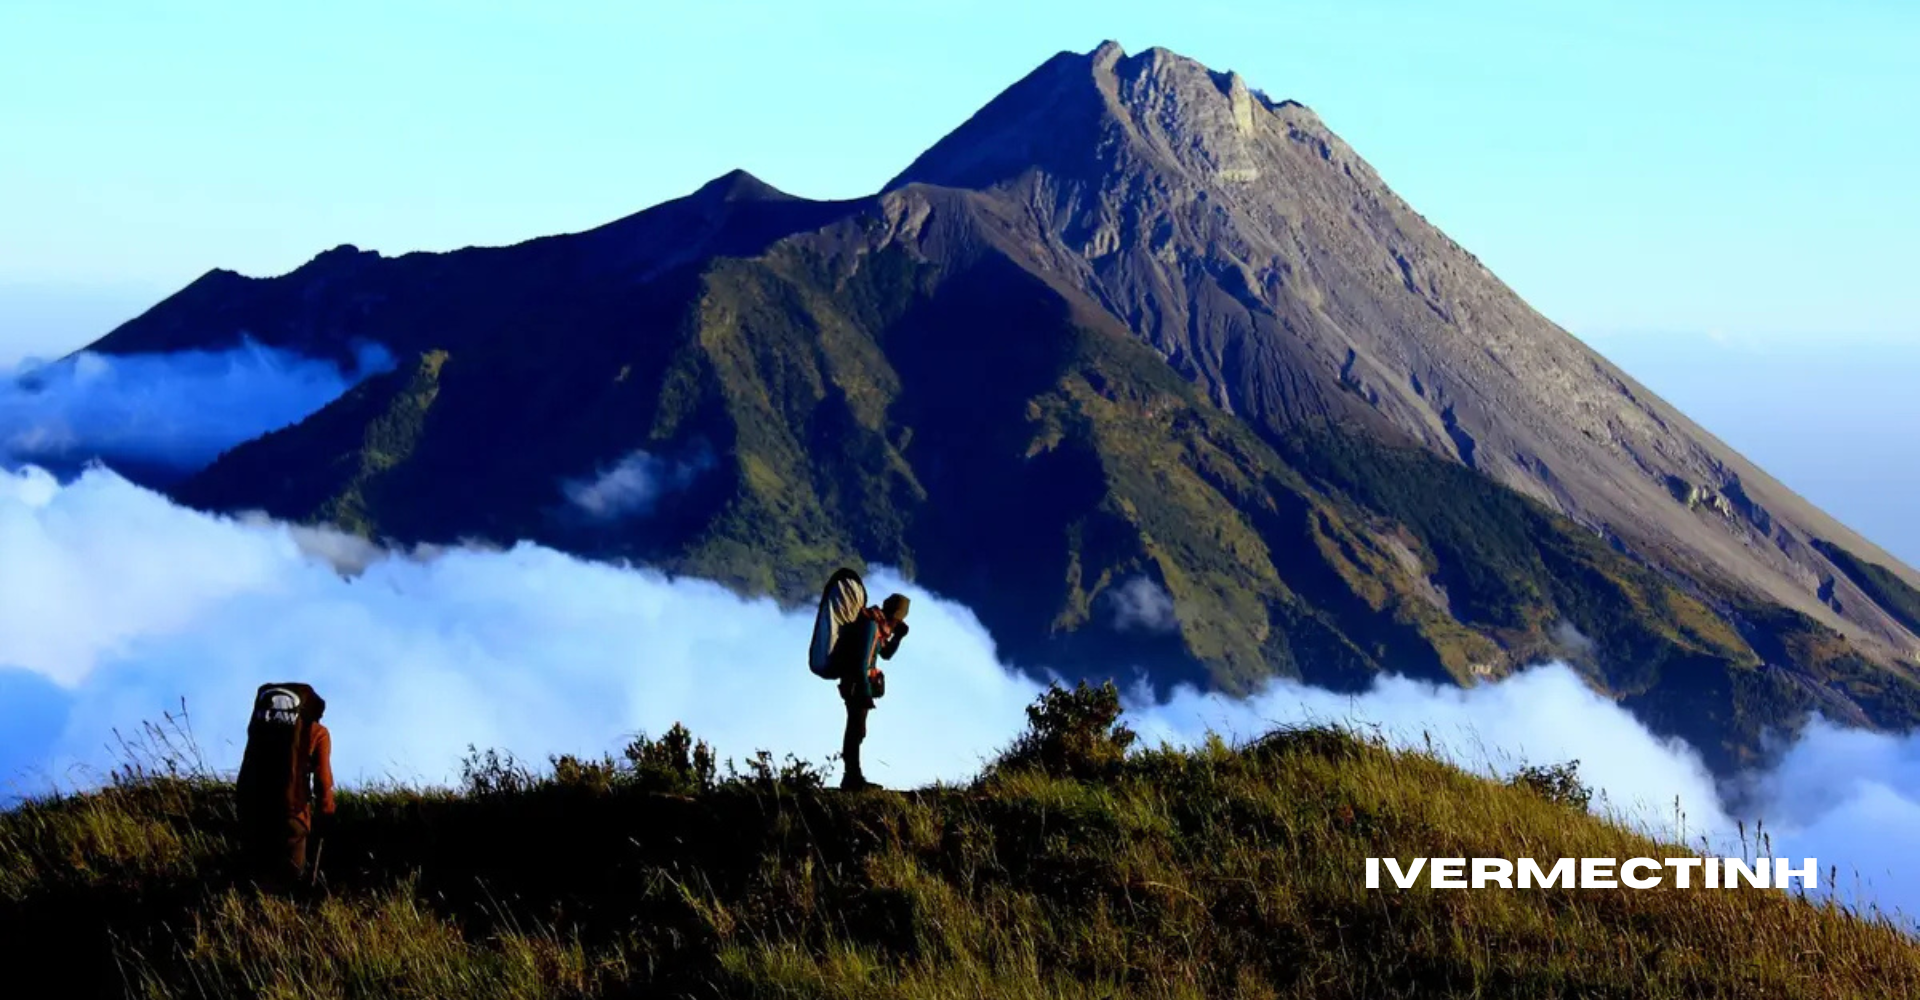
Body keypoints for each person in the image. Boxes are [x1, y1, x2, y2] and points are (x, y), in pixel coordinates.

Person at [235, 682, 336, 891]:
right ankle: (282, 917)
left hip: (252, 810)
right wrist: (326, 811)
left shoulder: (261, 728)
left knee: (255, 876)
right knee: (290, 878)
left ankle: (249, 914)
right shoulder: (317, 732)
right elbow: (323, 780)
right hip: (291, 815)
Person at [834, 593, 910, 790]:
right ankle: (852, 778)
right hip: (857, 685)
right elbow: (861, 662)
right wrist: (865, 693)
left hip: (858, 684)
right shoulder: (870, 625)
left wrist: (898, 638)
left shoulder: (879, 626)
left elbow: (885, 654)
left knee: (857, 729)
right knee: (855, 730)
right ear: (895, 615)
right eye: (900, 618)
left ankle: (853, 776)